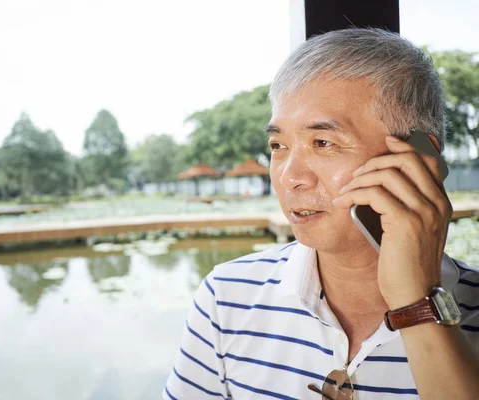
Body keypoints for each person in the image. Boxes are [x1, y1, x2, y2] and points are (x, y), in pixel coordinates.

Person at [163, 28, 479, 400]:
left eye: (323, 142)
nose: (289, 177)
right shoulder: (227, 298)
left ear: (419, 157)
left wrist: (417, 304)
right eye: (278, 145)